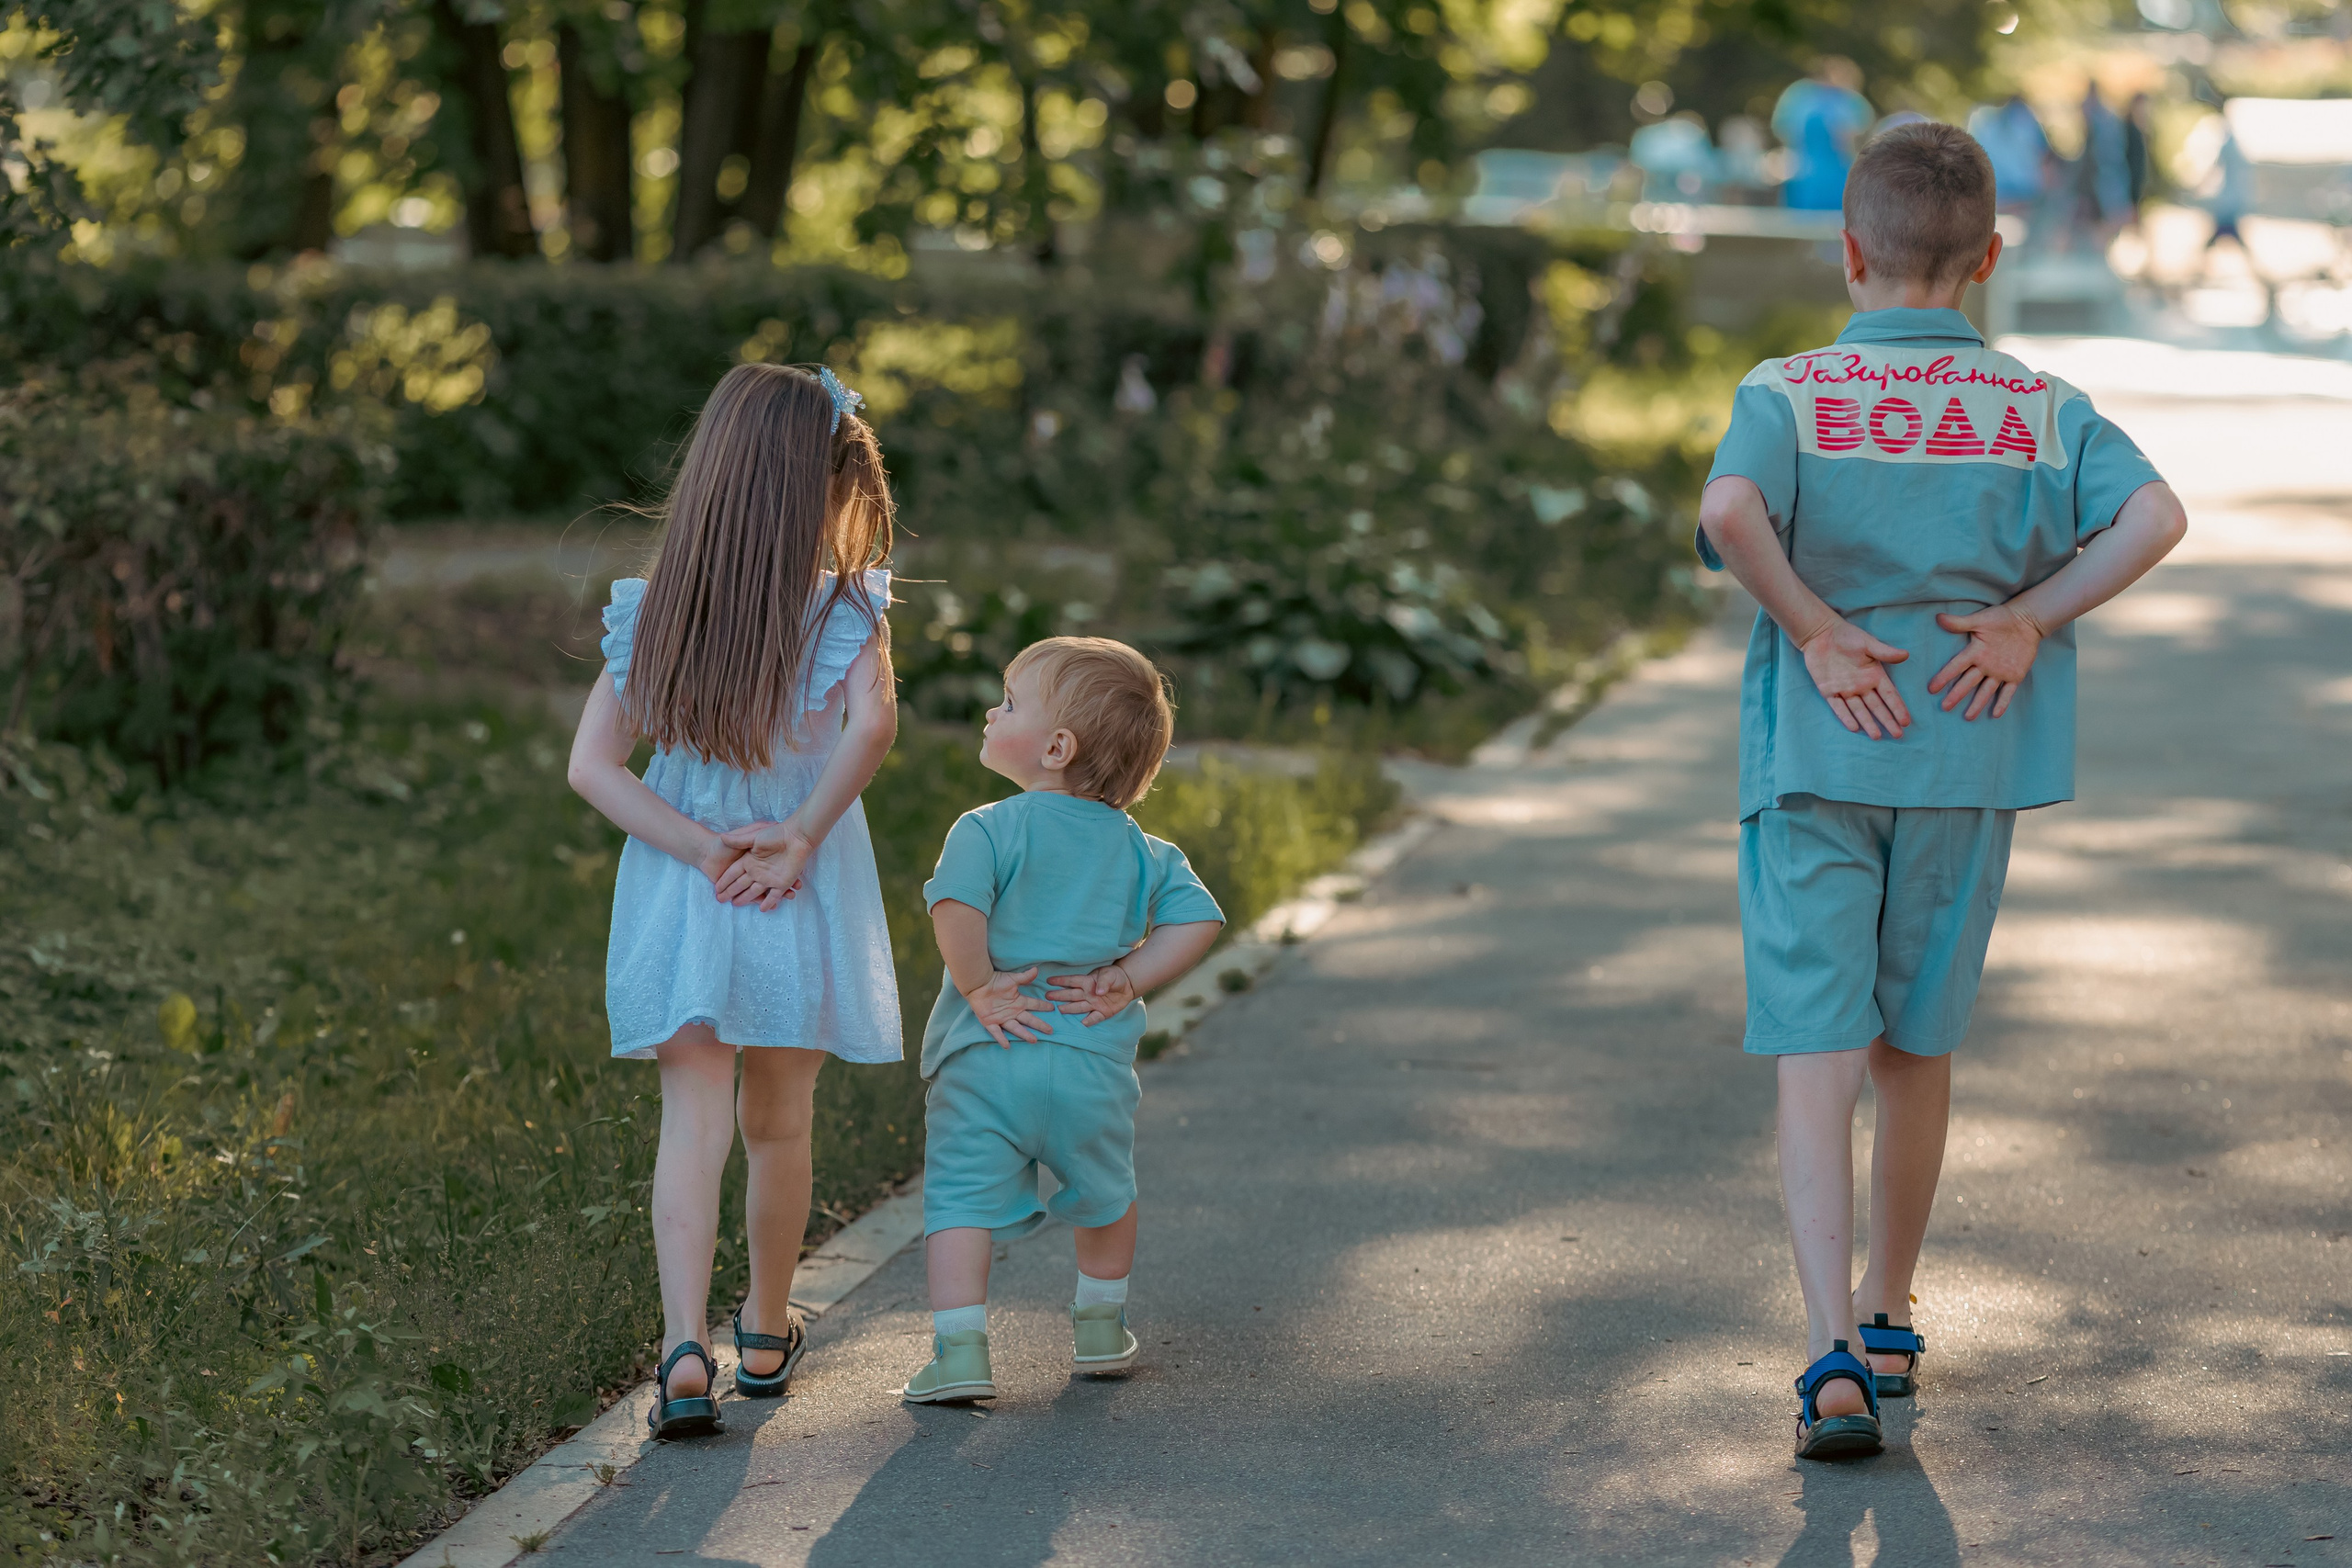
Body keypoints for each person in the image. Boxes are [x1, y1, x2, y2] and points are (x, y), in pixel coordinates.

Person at [1693, 122, 2188, 1461]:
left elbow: (1734, 511)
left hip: (1815, 758)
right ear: (1988, 259)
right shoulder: (2040, 406)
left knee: (1817, 1049)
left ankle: (1826, 1355)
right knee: (1917, 1043)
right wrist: (2027, 616)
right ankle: (1893, 1305)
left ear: (1847, 251)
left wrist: (1811, 626)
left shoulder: (1790, 388)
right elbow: (2156, 519)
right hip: (1964, 766)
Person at [568, 362, 904, 1438]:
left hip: (688, 885)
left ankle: (681, 1350)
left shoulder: (657, 610)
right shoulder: (848, 609)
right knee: (781, 1121)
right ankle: (763, 1331)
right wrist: (795, 835)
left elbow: (595, 766)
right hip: (795, 885)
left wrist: (703, 848)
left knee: (693, 1118)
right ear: (826, 489)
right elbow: (873, 727)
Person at [903, 637, 1225, 1403]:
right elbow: (1200, 921)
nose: (991, 709)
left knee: (959, 1200)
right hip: (1089, 1063)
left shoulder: (985, 828)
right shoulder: (1144, 850)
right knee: (1107, 1190)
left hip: (991, 1053)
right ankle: (1101, 1329)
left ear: (1055, 747)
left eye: (1008, 701)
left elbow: (955, 906)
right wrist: (1125, 975)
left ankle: (961, 1352)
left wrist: (980, 987)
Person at [1771, 57, 1873, 212]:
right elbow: (1784, 130)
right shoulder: (1800, 96)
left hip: (1835, 170)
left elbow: (1856, 137)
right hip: (1806, 172)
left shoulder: (1848, 100)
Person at [1968, 94, 2053, 216]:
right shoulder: (2028, 121)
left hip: (1996, 191)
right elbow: (2043, 153)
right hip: (2025, 191)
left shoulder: (1988, 123)